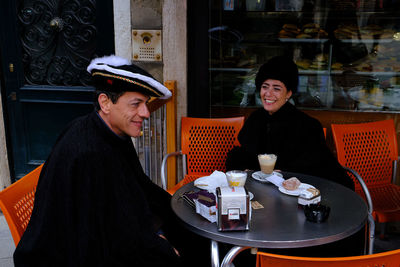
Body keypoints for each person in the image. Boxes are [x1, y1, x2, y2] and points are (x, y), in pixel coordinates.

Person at [14, 55, 208, 266]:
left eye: (146, 104)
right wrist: (159, 244)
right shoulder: (88, 152)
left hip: (116, 234)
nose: (145, 113)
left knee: (197, 236)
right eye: (136, 104)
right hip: (76, 252)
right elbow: (104, 235)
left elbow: (137, 190)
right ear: (105, 102)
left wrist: (181, 207)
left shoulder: (111, 132)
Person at [226, 55, 354, 190]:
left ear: (288, 93)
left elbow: (318, 168)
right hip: (259, 194)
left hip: (294, 196)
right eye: (265, 87)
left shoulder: (307, 125)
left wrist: (286, 173)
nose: (268, 94)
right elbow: (243, 156)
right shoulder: (255, 119)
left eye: (276, 88)